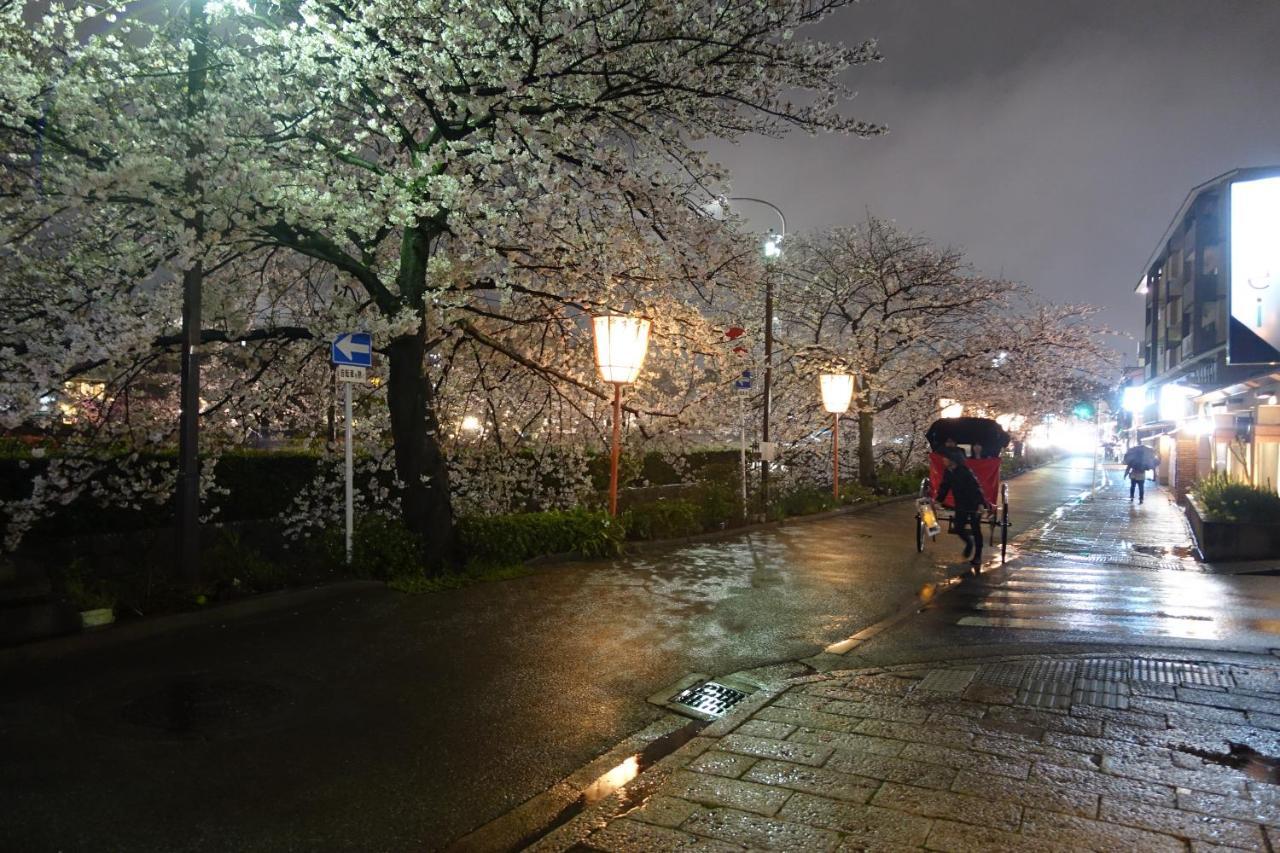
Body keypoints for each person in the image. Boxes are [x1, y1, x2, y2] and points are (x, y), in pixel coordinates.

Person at [934, 454, 992, 568]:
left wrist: (980, 504)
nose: (943, 459)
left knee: (976, 529)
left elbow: (976, 487)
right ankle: (969, 543)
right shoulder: (948, 472)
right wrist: (938, 501)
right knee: (958, 528)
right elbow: (944, 487)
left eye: (946, 457)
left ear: (953, 460)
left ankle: (978, 555)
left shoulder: (965, 471)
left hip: (973, 503)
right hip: (960, 503)